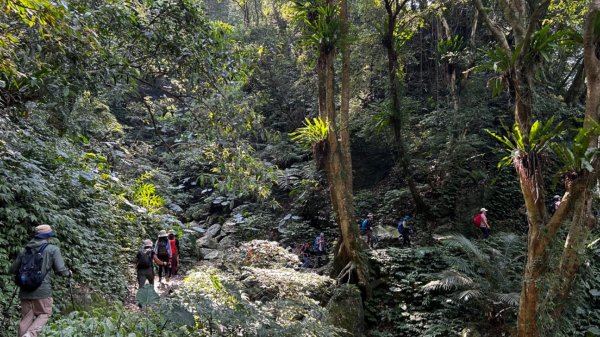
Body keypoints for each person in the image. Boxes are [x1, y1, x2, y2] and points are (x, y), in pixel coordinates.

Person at [10, 224, 72, 337]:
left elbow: (13, 269)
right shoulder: (52, 249)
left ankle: (25, 335)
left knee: (26, 318)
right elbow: (61, 270)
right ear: (48, 236)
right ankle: (30, 334)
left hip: (25, 290)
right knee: (45, 313)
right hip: (42, 290)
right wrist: (68, 273)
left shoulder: (25, 250)